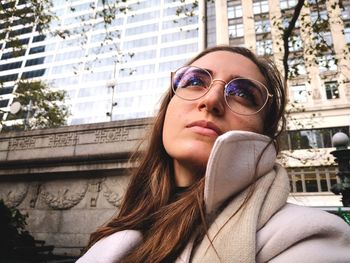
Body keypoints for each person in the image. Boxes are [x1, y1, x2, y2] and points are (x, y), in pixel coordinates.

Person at [77, 46, 350, 263]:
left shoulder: (310, 238)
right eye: (195, 80)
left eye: (243, 93)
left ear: (265, 135)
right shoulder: (123, 229)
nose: (212, 99)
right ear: (167, 109)